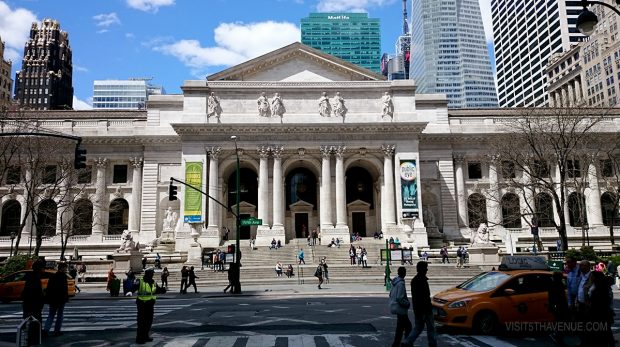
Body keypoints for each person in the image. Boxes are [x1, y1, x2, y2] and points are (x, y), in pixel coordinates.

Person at [401, 261, 437, 347]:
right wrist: (427, 308)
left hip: (418, 309)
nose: (427, 269)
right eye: (426, 268)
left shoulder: (414, 280)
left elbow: (416, 297)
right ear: (422, 269)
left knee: (418, 327)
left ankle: (407, 342)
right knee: (431, 328)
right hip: (425, 309)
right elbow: (424, 296)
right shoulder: (422, 280)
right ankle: (432, 344)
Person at [587, 271, 615, 345]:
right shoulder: (594, 285)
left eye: (592, 276)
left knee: (603, 332)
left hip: (600, 313)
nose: (590, 277)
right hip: (599, 313)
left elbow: (603, 302)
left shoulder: (601, 288)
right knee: (605, 332)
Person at [43, 262, 69, 337]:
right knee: (60, 315)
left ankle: (46, 330)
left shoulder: (53, 276)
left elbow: (49, 288)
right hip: (60, 299)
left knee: (51, 315)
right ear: (62, 268)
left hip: (53, 299)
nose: (66, 269)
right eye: (65, 268)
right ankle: (57, 331)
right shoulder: (63, 276)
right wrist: (66, 298)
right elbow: (64, 289)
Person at [133, 268, 159, 344]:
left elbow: (157, 289)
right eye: (151, 273)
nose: (153, 275)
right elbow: (134, 287)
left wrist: (162, 290)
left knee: (149, 321)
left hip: (150, 304)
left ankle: (146, 336)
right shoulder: (140, 281)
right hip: (142, 304)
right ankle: (139, 339)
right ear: (148, 273)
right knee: (141, 322)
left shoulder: (153, 282)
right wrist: (130, 291)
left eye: (153, 273)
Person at [389, 267, 412, 347]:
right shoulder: (401, 283)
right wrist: (407, 303)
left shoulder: (395, 282)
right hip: (400, 308)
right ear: (404, 273)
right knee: (408, 327)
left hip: (396, 307)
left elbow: (391, 294)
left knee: (400, 328)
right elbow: (399, 297)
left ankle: (396, 344)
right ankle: (406, 343)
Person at [548, 271, 568, 344]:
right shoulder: (559, 284)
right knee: (561, 320)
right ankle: (558, 335)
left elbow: (551, 296)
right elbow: (560, 297)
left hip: (556, 305)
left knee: (558, 320)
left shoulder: (554, 284)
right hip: (560, 305)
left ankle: (557, 334)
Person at [22, 259, 45, 324]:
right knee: (35, 321)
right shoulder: (35, 278)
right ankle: (35, 333)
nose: (44, 270)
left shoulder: (30, 277)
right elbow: (36, 293)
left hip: (29, 304)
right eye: (43, 268)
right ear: (40, 269)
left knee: (28, 320)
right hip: (34, 305)